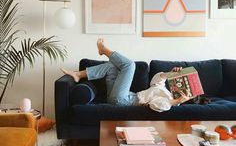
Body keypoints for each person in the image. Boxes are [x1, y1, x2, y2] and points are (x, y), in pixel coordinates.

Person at [61, 38, 191, 112]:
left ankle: (104, 50)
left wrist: (176, 101)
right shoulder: (164, 89)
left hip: (124, 101)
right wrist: (170, 74)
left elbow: (154, 105)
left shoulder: (169, 102)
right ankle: (78, 74)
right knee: (111, 67)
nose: (179, 86)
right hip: (124, 96)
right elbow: (156, 81)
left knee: (130, 65)